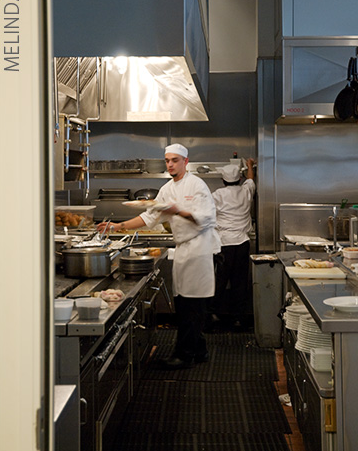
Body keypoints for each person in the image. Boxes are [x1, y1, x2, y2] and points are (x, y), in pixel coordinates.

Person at [98, 143, 221, 369]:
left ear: (185, 161)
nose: (171, 164)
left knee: (192, 306)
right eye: (167, 160)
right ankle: (199, 350)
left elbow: (205, 219)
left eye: (175, 160)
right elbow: (149, 217)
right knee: (184, 302)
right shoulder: (166, 189)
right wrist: (118, 226)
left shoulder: (197, 185)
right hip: (184, 248)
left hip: (200, 249)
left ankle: (183, 355)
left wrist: (178, 211)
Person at [211, 158, 255, 330]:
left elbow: (205, 214)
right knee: (240, 282)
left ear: (223, 180)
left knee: (220, 281)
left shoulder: (217, 195)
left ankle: (213, 314)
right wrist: (250, 165)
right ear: (240, 179)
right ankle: (238, 318)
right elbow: (251, 179)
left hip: (224, 244)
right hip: (243, 243)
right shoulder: (246, 191)